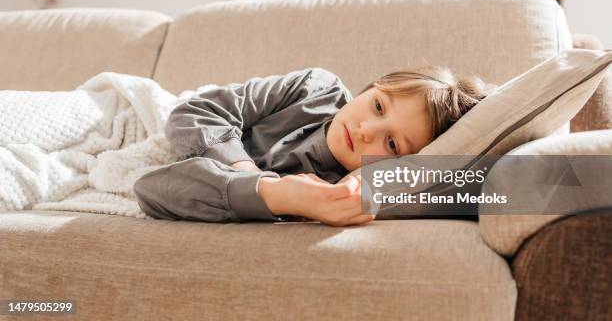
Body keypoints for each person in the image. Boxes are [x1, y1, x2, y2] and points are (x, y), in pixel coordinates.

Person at [133, 66, 494, 226]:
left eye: (392, 143)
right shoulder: (317, 88)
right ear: (373, 86)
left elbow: (151, 187)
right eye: (379, 105)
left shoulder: (336, 194)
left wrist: (278, 197)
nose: (366, 129)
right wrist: (248, 173)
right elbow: (194, 111)